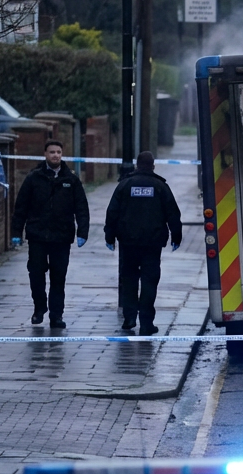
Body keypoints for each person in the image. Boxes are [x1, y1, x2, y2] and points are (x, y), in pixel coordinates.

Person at [10, 140, 90, 329]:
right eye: (52, 152)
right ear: (45, 154)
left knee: (58, 277)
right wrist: (16, 232)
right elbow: (21, 207)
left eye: (58, 152)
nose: (55, 155)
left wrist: (83, 232)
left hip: (61, 236)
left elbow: (81, 207)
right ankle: (39, 308)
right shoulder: (34, 178)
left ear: (62, 154)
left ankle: (56, 315)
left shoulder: (71, 179)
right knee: (36, 274)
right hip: (38, 235)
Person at [104, 151, 183, 336]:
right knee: (149, 281)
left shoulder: (124, 184)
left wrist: (109, 236)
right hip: (152, 244)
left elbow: (112, 212)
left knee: (129, 279)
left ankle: (129, 318)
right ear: (153, 165)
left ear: (136, 165)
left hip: (128, 243)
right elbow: (173, 213)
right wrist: (176, 236)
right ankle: (147, 322)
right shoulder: (160, 187)